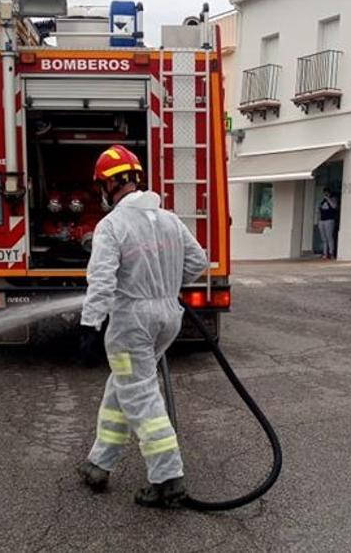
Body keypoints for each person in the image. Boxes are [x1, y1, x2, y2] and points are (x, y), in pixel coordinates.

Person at [76, 145, 209, 508]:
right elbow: (199, 260)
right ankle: (99, 464)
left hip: (131, 323)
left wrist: (90, 326)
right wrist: (166, 286)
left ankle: (168, 478)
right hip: (167, 317)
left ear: (107, 185)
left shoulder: (113, 225)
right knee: (124, 388)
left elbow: (102, 280)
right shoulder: (168, 219)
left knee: (142, 395)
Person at [317, 188, 338, 259]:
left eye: (327, 193)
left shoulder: (333, 199)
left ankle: (331, 252)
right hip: (322, 220)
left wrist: (328, 199)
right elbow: (319, 210)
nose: (325, 194)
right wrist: (319, 219)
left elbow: (334, 206)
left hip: (329, 220)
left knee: (329, 237)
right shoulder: (322, 201)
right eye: (324, 193)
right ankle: (325, 253)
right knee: (324, 238)